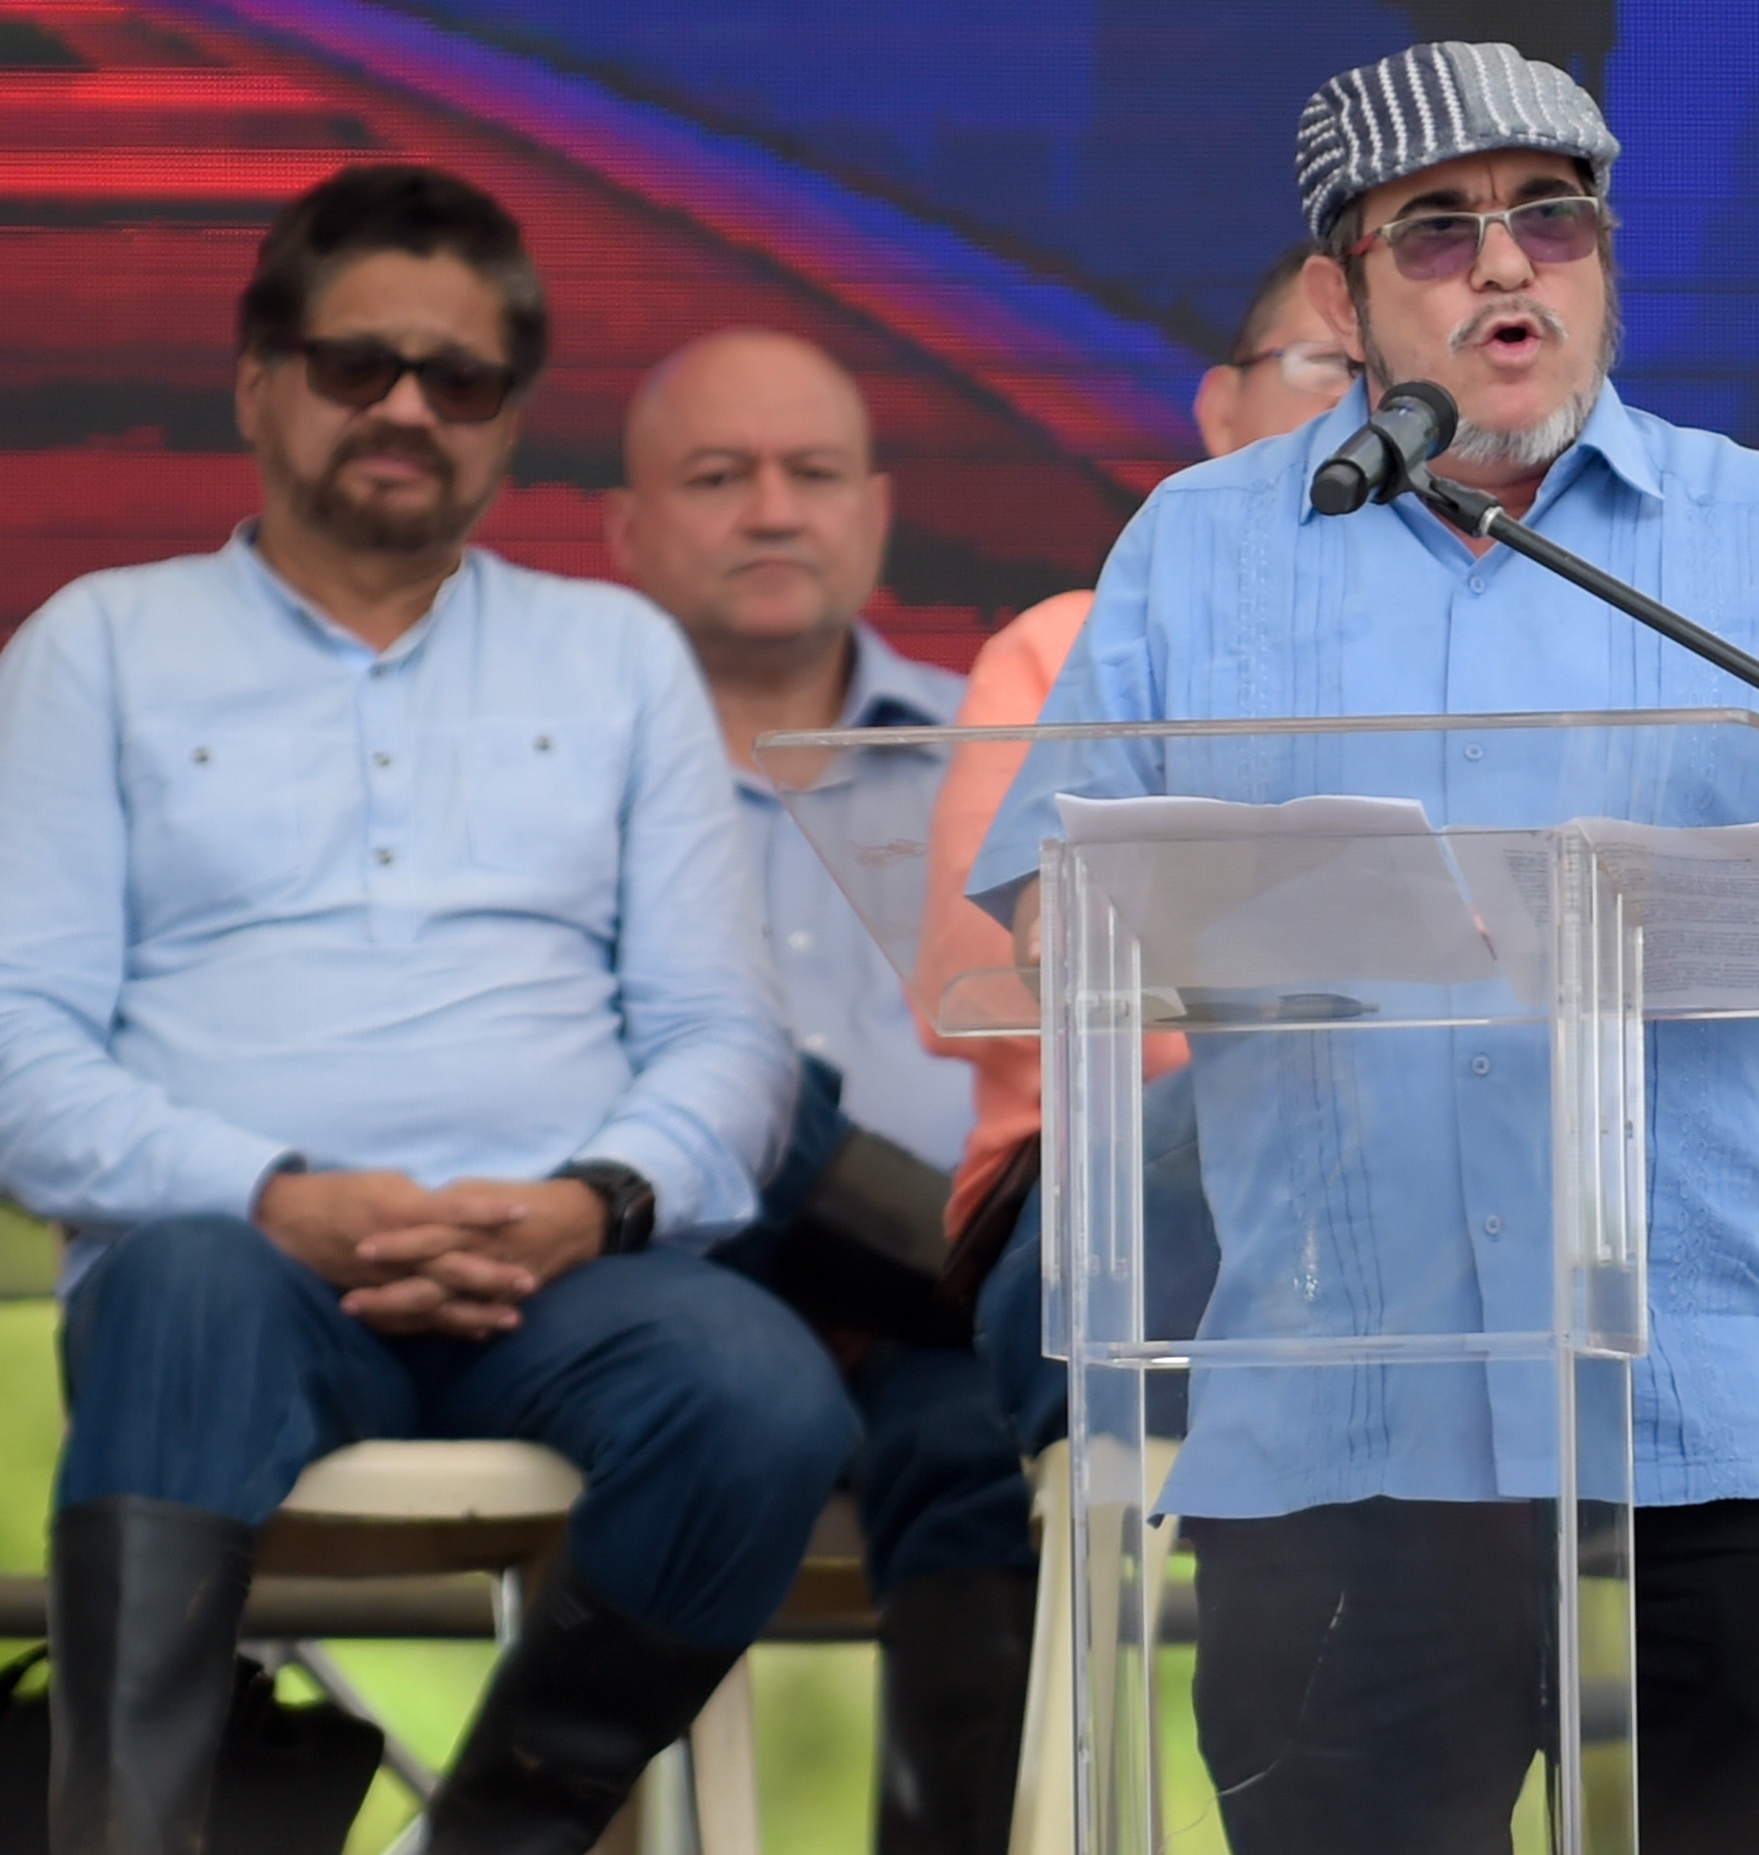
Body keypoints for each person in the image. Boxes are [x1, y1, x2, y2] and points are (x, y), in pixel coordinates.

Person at [971, 43, 1759, 1855]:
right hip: (1348, 1420)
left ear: (1603, 264)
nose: (1507, 268)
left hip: (1723, 1411)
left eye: (1551, 220)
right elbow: (1054, 905)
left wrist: (1628, 909)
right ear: (1345, 303)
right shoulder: (1200, 554)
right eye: (1436, 233)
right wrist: (1274, 906)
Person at [0, 165, 855, 1854]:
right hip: (239, 1278)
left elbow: (726, 1039)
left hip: (559, 1284)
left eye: (462, 377)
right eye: (360, 364)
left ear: (509, 422)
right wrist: (282, 1196)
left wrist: (598, 1201)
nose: (409, 406)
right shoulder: (100, 646)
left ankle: (490, 1837)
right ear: (259, 381)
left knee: (762, 1388)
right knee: (187, 1283)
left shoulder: (618, 658)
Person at [606, 326, 1014, 1855]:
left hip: (936, 1327)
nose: (773, 509)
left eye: (813, 472)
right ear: (629, 530)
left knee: (990, 1419)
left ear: (877, 511)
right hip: (656, 1295)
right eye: (721, 476)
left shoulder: (1011, 754)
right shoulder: (556, 773)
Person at [923, 242, 1359, 1456]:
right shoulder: (1066, 646)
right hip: (1105, 1212)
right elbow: (985, 977)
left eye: (1396, 379)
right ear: (1221, 411)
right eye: (1325, 362)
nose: (1359, 407)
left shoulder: (1495, 676)